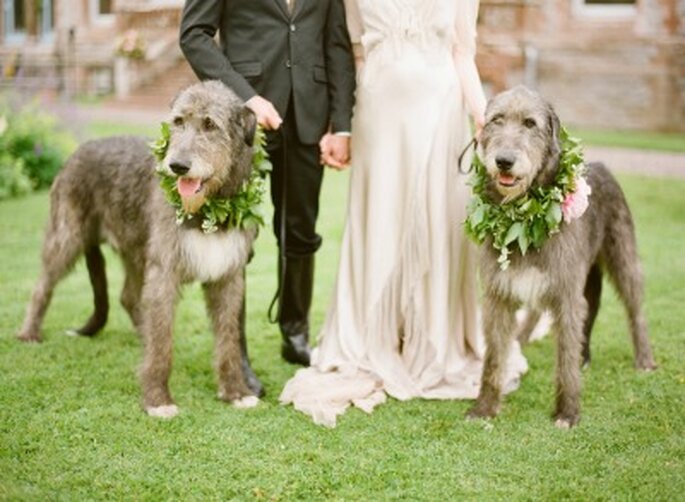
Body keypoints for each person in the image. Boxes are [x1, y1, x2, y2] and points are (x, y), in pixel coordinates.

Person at [280, 0, 528, 427]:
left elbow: (462, 54)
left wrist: (482, 115)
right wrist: (343, 124)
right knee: (381, 222)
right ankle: (375, 337)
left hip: (441, 109)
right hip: (379, 113)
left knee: (439, 223)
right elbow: (354, 55)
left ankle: (433, 339)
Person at [179, 0, 357, 395]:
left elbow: (337, 45)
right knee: (235, 238)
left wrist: (341, 124)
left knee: (300, 231)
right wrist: (246, 97)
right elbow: (193, 34)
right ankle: (235, 352)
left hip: (309, 114)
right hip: (242, 123)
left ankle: (295, 334)